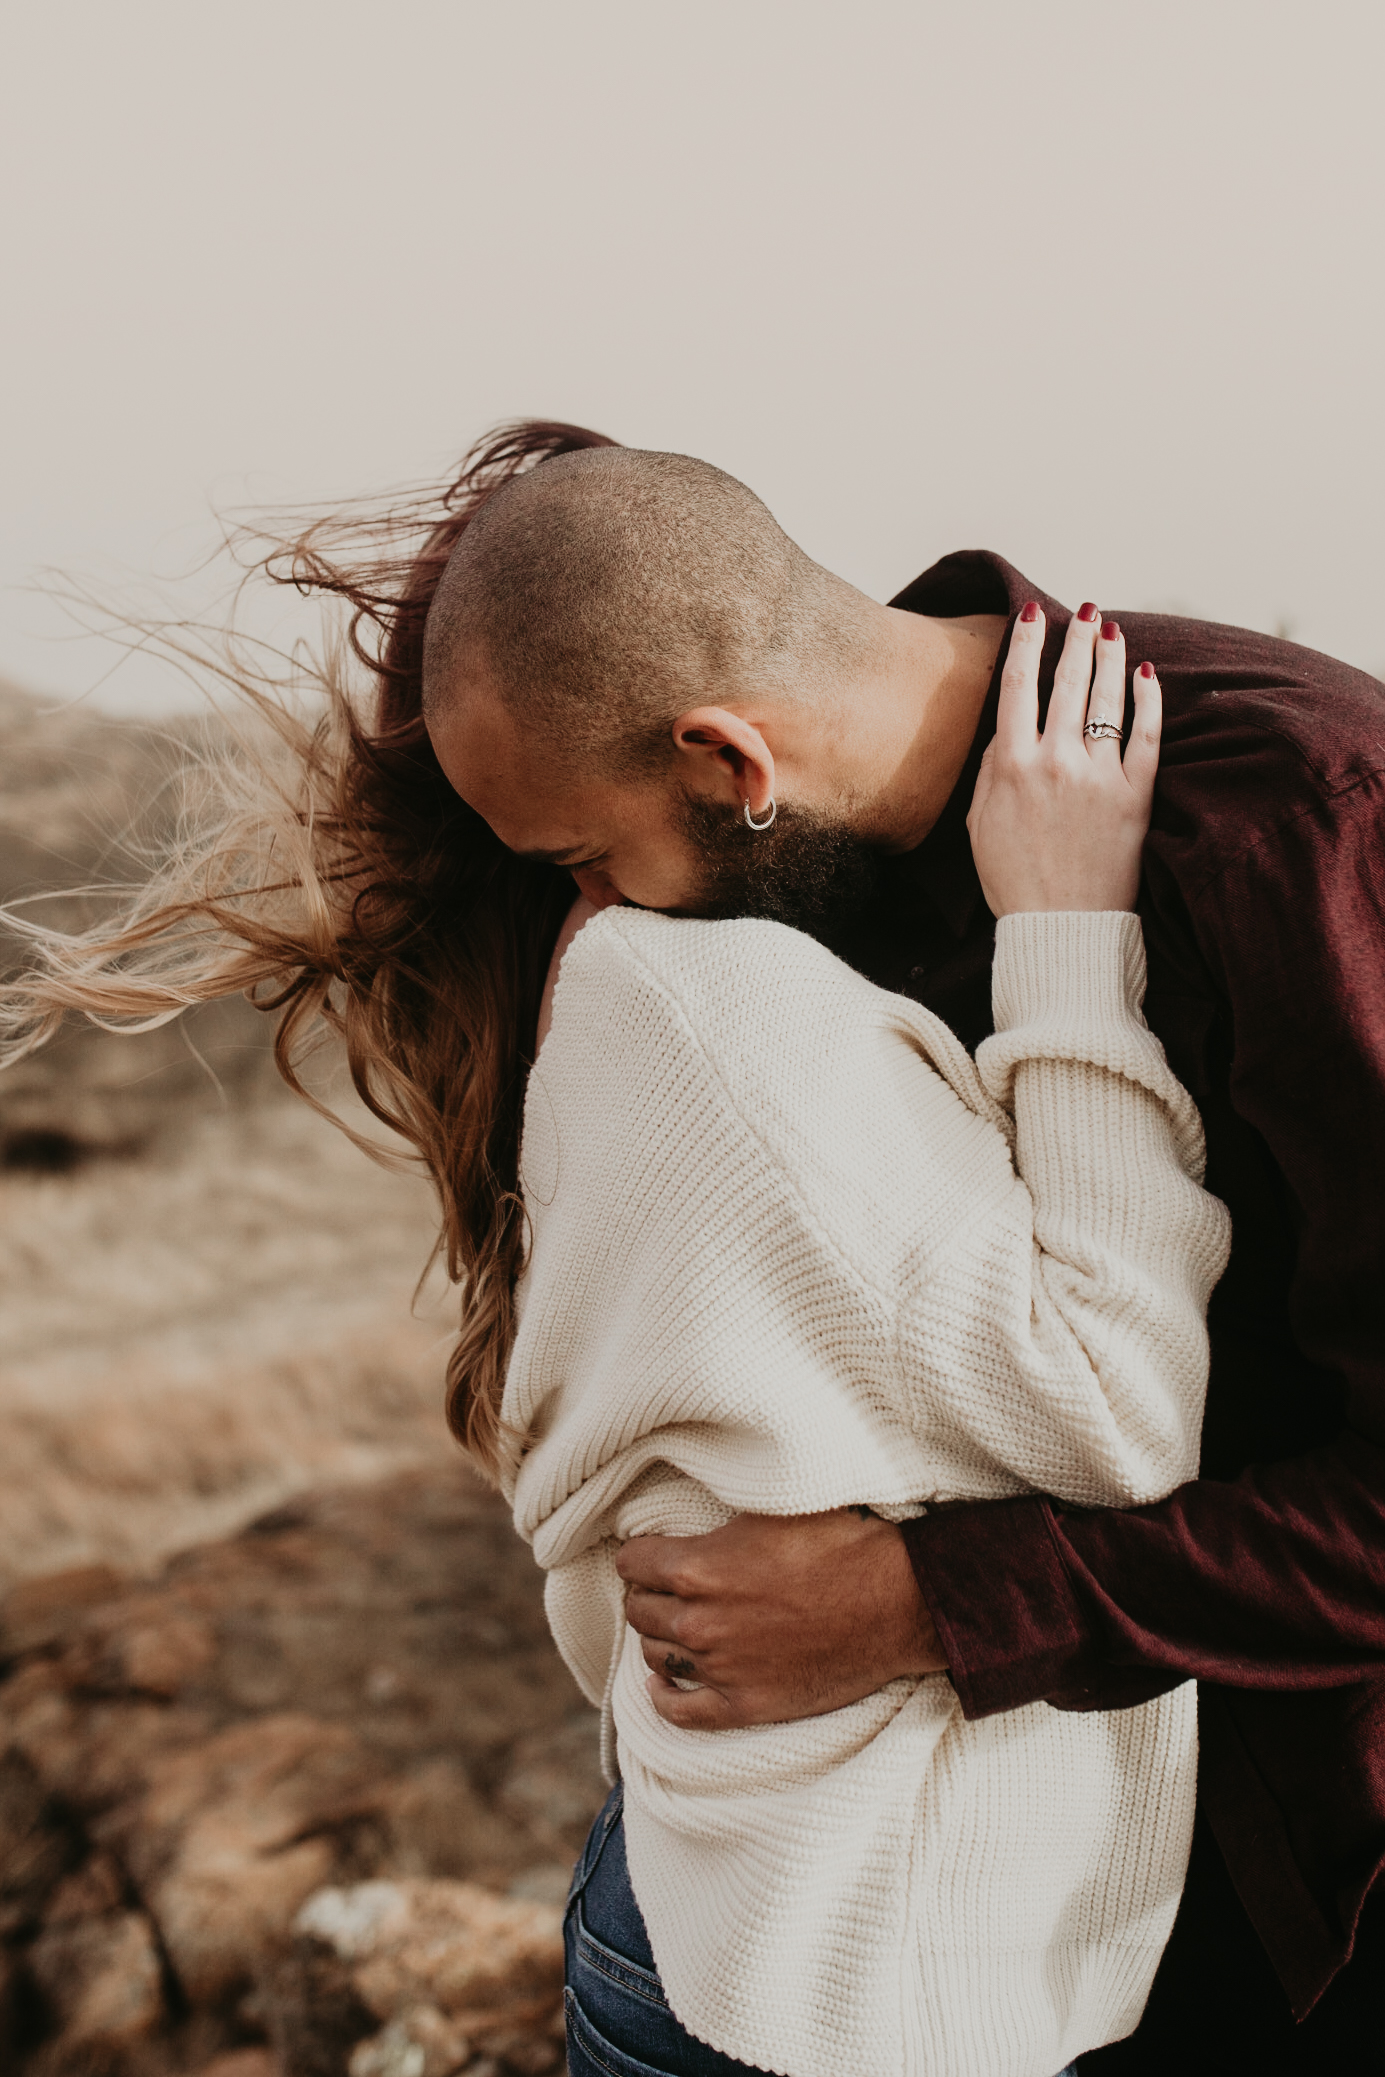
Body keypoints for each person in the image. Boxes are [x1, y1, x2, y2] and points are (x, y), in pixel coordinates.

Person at [3, 420, 1381, 2068]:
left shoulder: (1291, 826)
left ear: (734, 763)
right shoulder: (748, 932)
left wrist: (925, 1601)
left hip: (1257, 1899)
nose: (595, 918)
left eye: (587, 859)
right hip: (879, 1920)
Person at [503, 592, 1229, 2077]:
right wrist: (1070, 937)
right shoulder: (729, 1018)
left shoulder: (610, 1003)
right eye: (568, 866)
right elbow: (1120, 1404)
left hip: (717, 1911)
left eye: (579, 853)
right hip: (858, 1997)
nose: (589, 899)